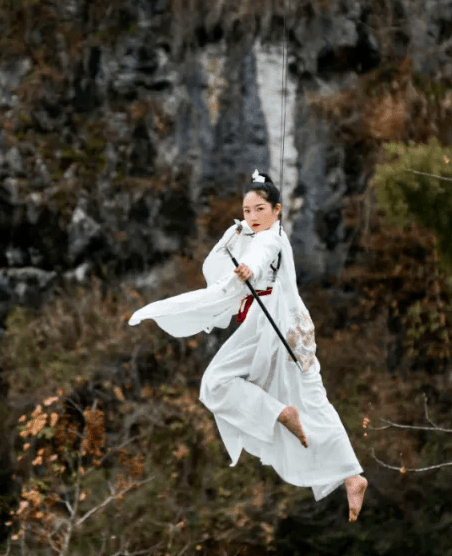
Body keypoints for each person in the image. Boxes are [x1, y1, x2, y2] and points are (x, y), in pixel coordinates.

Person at [129, 170, 368, 521]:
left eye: (259, 209)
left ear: (277, 210)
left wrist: (248, 268)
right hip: (262, 323)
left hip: (282, 325)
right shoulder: (249, 233)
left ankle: (350, 475)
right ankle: (282, 415)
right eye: (247, 210)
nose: (252, 217)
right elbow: (231, 258)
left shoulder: (273, 237)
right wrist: (240, 245)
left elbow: (261, 253)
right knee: (216, 384)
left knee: (311, 396)